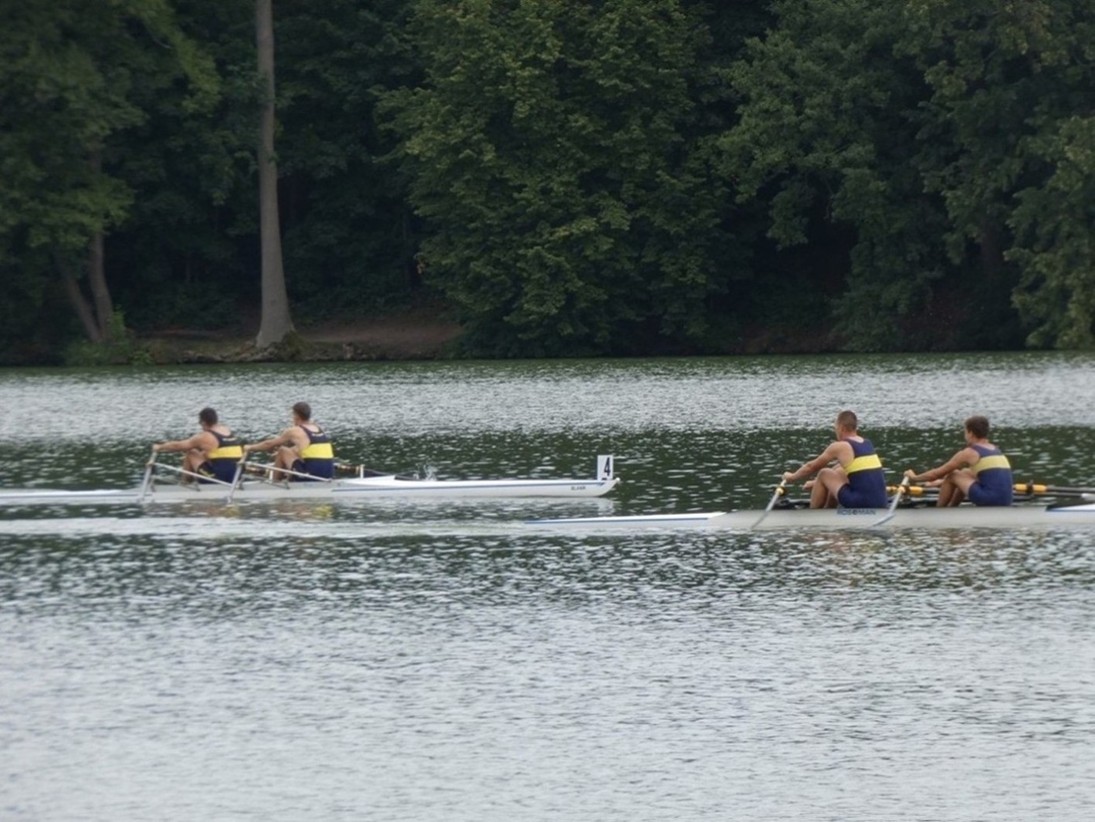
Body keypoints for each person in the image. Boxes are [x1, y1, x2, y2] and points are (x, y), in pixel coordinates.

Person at [782, 410, 889, 509]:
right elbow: (840, 470)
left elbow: (811, 467)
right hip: (881, 503)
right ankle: (829, 512)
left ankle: (813, 515)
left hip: (861, 503)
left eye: (835, 428)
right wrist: (816, 483)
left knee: (824, 473)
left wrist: (792, 477)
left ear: (841, 428)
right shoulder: (867, 443)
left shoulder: (840, 446)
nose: (835, 431)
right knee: (837, 473)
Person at [904, 415, 1013, 506]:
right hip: (1006, 500)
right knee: (965, 472)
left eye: (965, 432)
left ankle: (939, 511)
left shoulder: (969, 452)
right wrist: (940, 482)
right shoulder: (996, 450)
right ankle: (953, 508)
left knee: (953, 475)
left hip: (990, 500)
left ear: (970, 433)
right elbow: (983, 477)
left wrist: (914, 477)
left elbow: (937, 473)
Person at [243, 401, 335, 481]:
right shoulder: (318, 428)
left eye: (292, 415)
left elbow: (269, 444)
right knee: (289, 452)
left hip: (311, 476)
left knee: (282, 451)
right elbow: (305, 451)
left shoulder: (294, 431)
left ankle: (275, 485)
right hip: (328, 475)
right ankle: (288, 479)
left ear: (296, 415)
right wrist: (288, 452)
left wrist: (249, 447)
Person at [151, 407, 244, 484]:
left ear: (203, 422)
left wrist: (160, 447)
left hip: (219, 480)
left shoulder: (205, 436)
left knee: (191, 452)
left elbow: (178, 446)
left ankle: (185, 483)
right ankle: (190, 480)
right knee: (204, 454)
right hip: (236, 477)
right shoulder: (226, 430)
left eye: (200, 423)